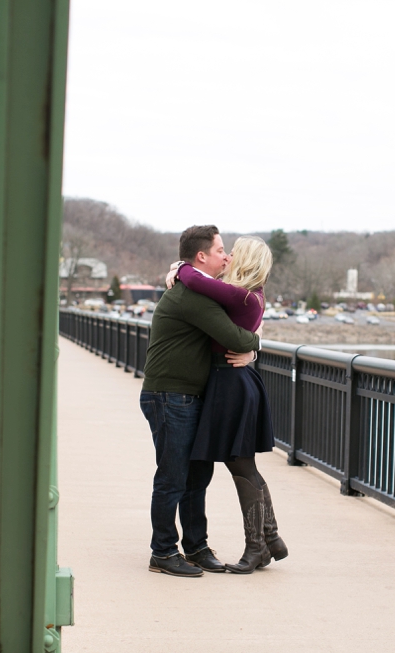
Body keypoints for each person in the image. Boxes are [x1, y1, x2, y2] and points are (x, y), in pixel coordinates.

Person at [140, 226, 261, 578]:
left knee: (197, 476)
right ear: (201, 257)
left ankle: (196, 547)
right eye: (221, 250)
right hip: (169, 396)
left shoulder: (198, 289)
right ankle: (162, 552)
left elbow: (237, 331)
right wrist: (257, 343)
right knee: (173, 476)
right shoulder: (191, 297)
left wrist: (251, 348)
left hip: (188, 396)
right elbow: (235, 336)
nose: (228, 256)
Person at [167, 235, 288, 574]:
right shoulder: (252, 295)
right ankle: (270, 539)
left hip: (231, 385)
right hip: (232, 382)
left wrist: (179, 267)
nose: (229, 256)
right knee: (244, 466)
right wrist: (254, 348)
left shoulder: (241, 295)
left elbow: (191, 277)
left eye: (234, 252)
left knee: (241, 466)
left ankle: (258, 548)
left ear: (246, 260)